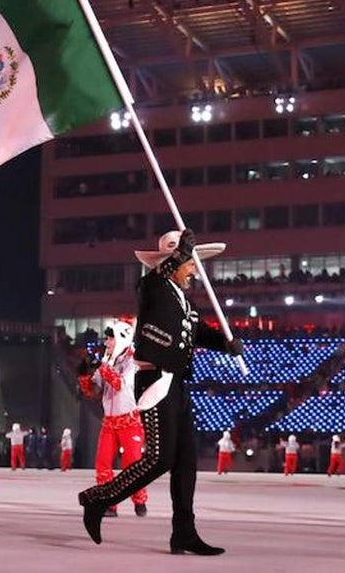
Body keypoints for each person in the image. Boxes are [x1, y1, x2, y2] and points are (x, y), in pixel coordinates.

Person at [78, 228, 243, 556]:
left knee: (186, 462)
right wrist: (180, 254)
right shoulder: (153, 287)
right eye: (189, 262)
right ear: (174, 262)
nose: (194, 269)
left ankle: (184, 533)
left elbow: (198, 333)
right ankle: (98, 498)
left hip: (178, 382)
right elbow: (153, 280)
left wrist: (226, 344)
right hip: (155, 380)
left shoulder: (183, 299)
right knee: (159, 458)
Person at [77, 320, 147, 517]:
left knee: (132, 465)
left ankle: (139, 500)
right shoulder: (107, 360)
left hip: (130, 420)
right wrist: (84, 376)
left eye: (110, 338)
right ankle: (109, 504)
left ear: (122, 338)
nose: (106, 342)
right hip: (109, 421)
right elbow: (94, 392)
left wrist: (102, 366)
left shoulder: (133, 361)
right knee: (103, 464)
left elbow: (119, 384)